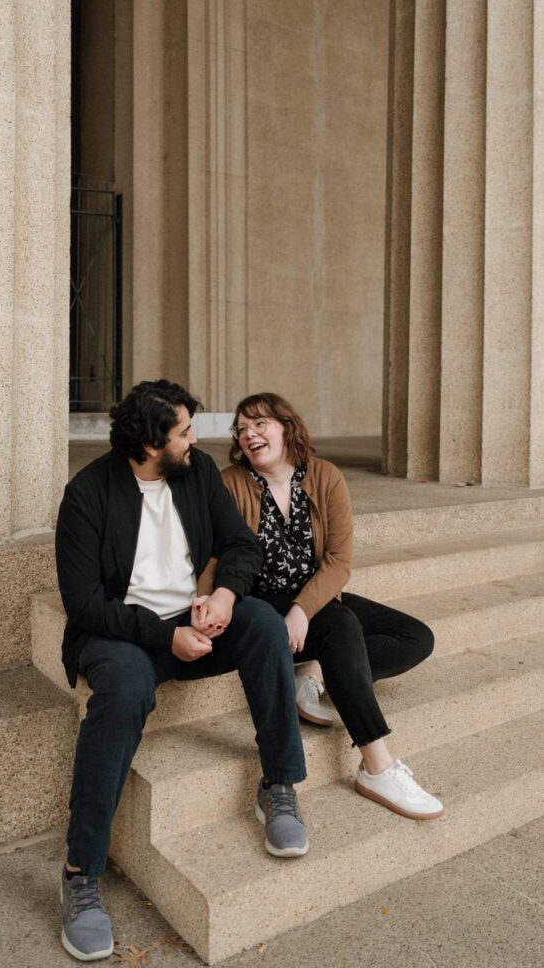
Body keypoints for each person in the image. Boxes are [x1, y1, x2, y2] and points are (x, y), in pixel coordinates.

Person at [55, 380, 308, 962]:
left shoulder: (194, 475)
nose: (197, 439)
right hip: (123, 634)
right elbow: (85, 604)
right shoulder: (88, 494)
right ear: (149, 441)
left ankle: (279, 785)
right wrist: (163, 634)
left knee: (265, 624)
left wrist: (223, 595)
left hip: (194, 621)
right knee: (121, 692)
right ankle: (80, 871)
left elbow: (242, 545)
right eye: (184, 432)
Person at [221, 391, 444, 823]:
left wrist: (302, 609)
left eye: (260, 423)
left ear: (286, 426)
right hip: (261, 602)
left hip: (315, 598)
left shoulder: (325, 477)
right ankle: (377, 766)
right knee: (341, 625)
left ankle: (315, 670)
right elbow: (221, 556)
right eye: (242, 428)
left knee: (416, 637)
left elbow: (339, 563)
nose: (249, 434)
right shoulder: (230, 482)